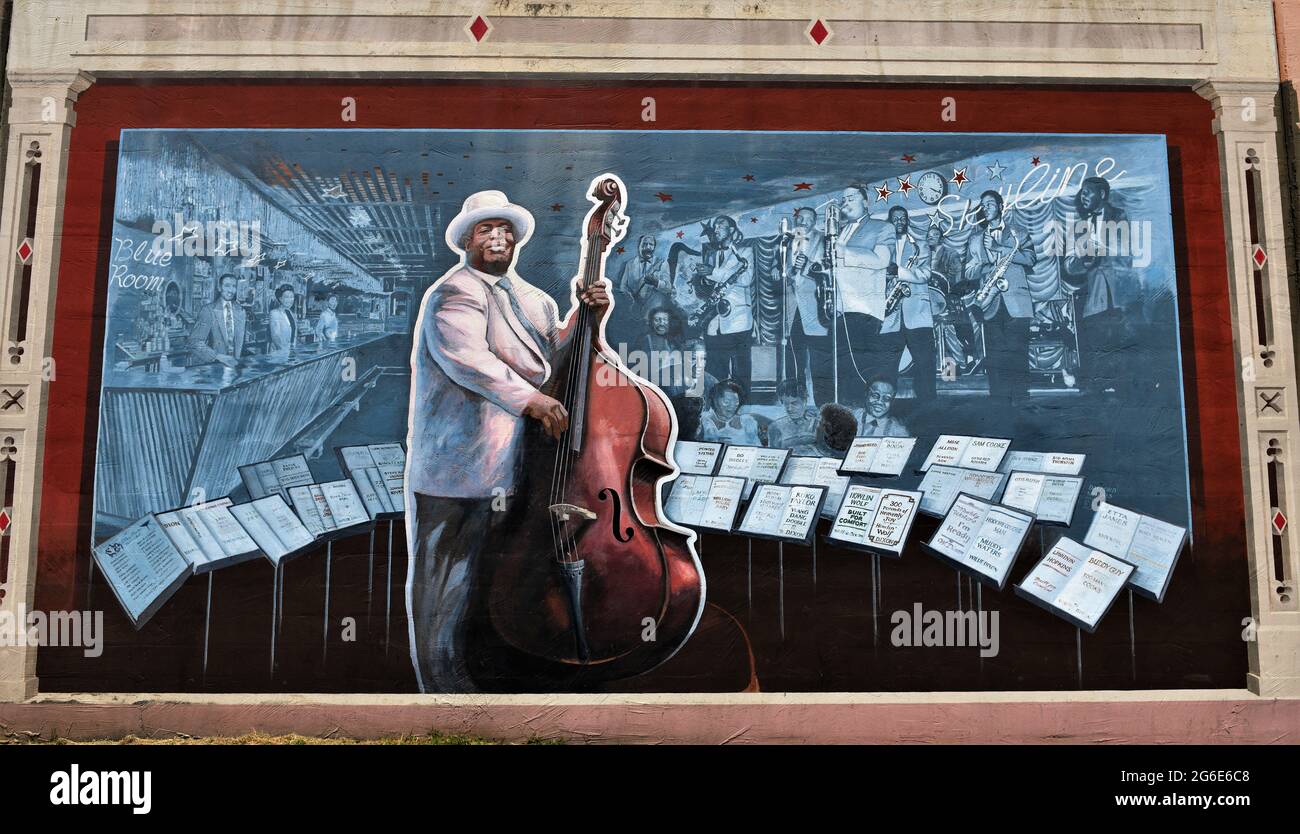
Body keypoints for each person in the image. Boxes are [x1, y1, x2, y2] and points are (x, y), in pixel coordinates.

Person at [405, 189, 609, 693]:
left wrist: (590, 318)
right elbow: (471, 361)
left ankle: (489, 673)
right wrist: (534, 403)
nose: (498, 238)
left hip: (514, 468)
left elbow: (559, 362)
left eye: (505, 231)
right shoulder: (453, 294)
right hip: (458, 472)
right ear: (466, 241)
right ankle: (441, 686)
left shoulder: (536, 299)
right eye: (485, 230)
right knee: (446, 584)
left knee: (493, 580)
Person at [963, 190, 1036, 405]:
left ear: (1001, 206)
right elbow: (967, 272)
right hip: (990, 301)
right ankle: (999, 400)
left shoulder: (1018, 233)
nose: (986, 207)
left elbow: (1031, 258)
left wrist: (1000, 249)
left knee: (1018, 352)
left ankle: (1021, 398)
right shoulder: (975, 239)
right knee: (995, 354)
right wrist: (984, 267)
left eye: (990, 203)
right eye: (982, 204)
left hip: (1017, 302)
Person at [1066, 176, 1129, 395]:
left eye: (1087, 192)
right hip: (1092, 297)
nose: (1082, 196)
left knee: (1120, 344)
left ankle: (1123, 388)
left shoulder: (1120, 216)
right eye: (1081, 193)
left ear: (1101, 194)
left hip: (1119, 294)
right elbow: (1069, 266)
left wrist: (1100, 248)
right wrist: (1083, 259)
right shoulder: (1078, 226)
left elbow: (1128, 254)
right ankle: (1095, 387)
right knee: (1093, 343)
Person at [832, 184, 893, 403]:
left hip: (865, 309)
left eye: (851, 198)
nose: (845, 202)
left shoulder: (882, 227)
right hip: (841, 309)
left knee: (862, 373)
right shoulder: (841, 231)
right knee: (844, 372)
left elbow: (882, 261)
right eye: (843, 199)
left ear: (866, 202)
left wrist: (844, 253)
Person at [878, 206, 936, 403]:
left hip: (918, 315)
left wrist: (898, 271)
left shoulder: (920, 245)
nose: (900, 221)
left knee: (925, 366)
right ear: (889, 222)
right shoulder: (881, 248)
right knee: (887, 368)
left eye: (903, 218)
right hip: (889, 314)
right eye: (895, 218)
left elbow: (925, 274)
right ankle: (886, 410)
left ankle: (929, 410)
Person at [783, 206, 834, 406]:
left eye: (807, 218)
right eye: (799, 218)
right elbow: (782, 273)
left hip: (816, 309)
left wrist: (806, 265)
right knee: (794, 363)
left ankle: (825, 407)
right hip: (793, 309)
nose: (802, 221)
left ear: (815, 222)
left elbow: (825, 268)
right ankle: (796, 404)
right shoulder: (788, 243)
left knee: (820, 363)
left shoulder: (823, 239)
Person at [697, 216, 754, 387]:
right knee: (715, 367)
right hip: (716, 320)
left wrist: (712, 271)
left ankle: (742, 404)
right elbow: (711, 285)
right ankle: (716, 402)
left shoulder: (745, 252)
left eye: (721, 226)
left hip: (738, 319)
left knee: (740, 370)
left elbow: (746, 279)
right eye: (715, 226)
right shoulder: (712, 255)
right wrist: (704, 280)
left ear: (732, 230)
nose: (716, 229)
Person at [187, 272, 246, 368]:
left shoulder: (241, 311)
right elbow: (194, 342)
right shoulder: (208, 310)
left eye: (234, 286)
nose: (231, 290)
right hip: (214, 367)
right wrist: (217, 356)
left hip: (235, 368)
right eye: (227, 286)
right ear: (219, 287)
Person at [697, 379, 761, 445]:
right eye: (727, 402)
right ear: (715, 400)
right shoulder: (703, 421)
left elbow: (757, 447)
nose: (732, 406)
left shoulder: (747, 422)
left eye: (736, 402)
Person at [639, 305, 685, 395]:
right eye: (657, 320)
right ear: (651, 322)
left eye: (664, 319)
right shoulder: (647, 340)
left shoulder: (676, 339)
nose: (661, 323)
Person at [767, 378, 820, 450]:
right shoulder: (775, 427)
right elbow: (773, 454)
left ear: (804, 401)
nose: (789, 409)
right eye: (786, 404)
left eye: (794, 403)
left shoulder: (817, 425)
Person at [793, 403, 859, 458]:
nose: (816, 427)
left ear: (828, 430)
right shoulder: (852, 457)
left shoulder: (800, 453)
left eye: (819, 422)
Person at [268, 284, 298, 356]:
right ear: (280, 299)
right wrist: (286, 353)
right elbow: (276, 337)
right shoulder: (274, 313)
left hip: (291, 354)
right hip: (278, 354)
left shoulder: (293, 314)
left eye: (291, 297)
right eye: (286, 297)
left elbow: (294, 336)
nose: (290, 300)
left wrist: (293, 351)